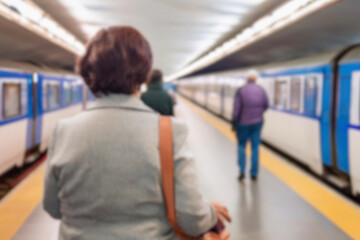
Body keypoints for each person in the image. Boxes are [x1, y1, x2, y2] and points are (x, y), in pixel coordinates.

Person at [43, 26, 231, 240]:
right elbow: (192, 219)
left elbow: (53, 207)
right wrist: (209, 212)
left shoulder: (63, 131)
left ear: (88, 71)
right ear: (144, 72)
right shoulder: (169, 132)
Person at [232, 70, 268, 181]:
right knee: (255, 147)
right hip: (257, 123)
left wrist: (234, 122)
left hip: (242, 123)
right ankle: (254, 174)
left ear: (247, 78)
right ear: (256, 79)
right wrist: (257, 114)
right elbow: (266, 105)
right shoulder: (261, 91)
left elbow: (236, 109)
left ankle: (242, 171)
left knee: (241, 146)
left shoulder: (241, 90)